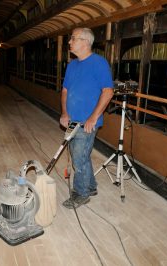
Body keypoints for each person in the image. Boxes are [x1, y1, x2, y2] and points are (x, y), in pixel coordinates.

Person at [60, 27, 114, 209]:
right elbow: (65, 91)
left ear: (85, 42)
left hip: (87, 123)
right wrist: (65, 113)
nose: (69, 42)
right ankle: (90, 186)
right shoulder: (72, 65)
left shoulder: (99, 63)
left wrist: (93, 117)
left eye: (73, 38)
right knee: (81, 155)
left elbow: (108, 92)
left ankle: (81, 194)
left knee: (78, 159)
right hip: (72, 120)